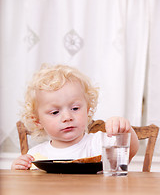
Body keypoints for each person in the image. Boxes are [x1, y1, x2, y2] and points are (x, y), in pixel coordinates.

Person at [11, 64, 139, 170]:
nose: (67, 117)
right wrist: (17, 169)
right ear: (37, 121)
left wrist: (125, 131)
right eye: (55, 112)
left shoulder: (97, 144)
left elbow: (129, 151)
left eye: (75, 109)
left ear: (87, 110)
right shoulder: (35, 156)